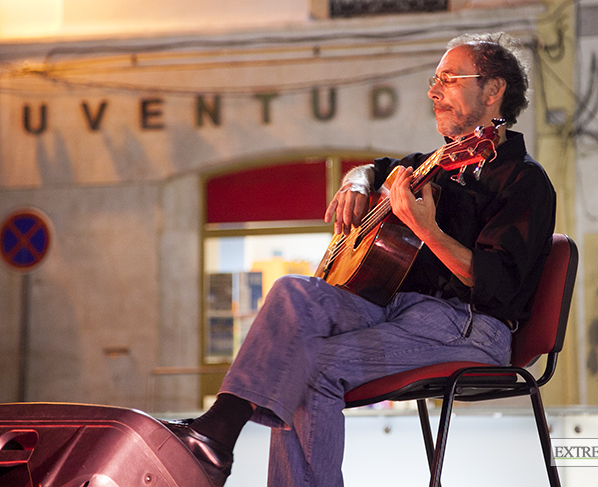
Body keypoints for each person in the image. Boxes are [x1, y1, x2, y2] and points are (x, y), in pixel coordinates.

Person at [162, 32, 556, 487]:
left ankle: (215, 435)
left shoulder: (526, 181)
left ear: (493, 90)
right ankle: (217, 429)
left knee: (311, 368)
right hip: (397, 308)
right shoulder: (437, 163)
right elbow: (372, 168)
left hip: (471, 327)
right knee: (293, 291)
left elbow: (497, 286)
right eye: (434, 80)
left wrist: (427, 228)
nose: (433, 91)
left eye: (448, 79)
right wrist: (354, 183)